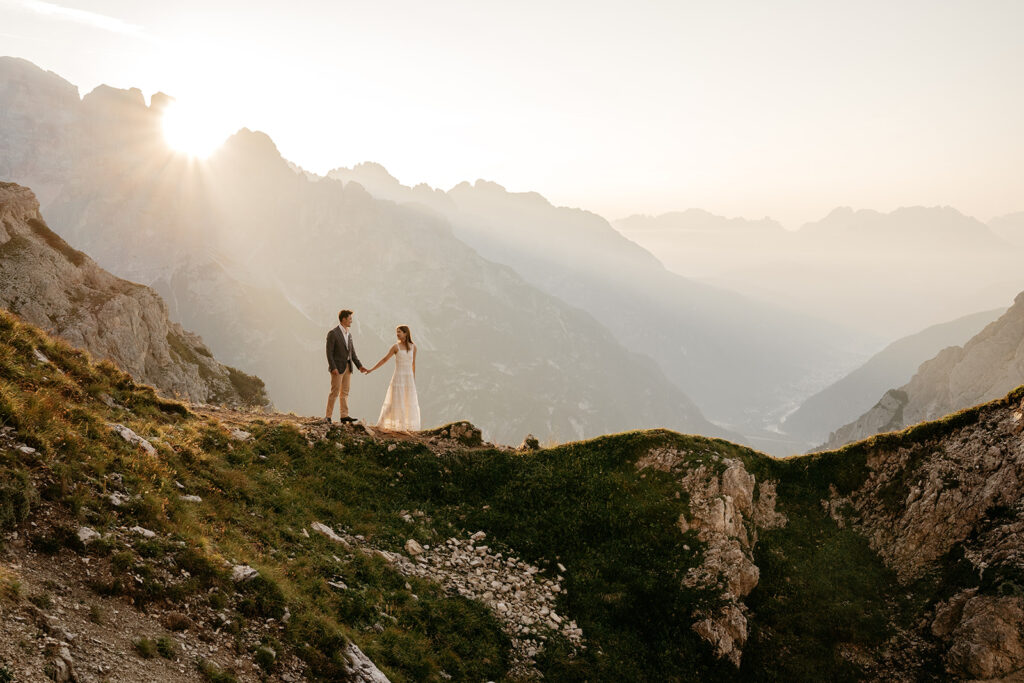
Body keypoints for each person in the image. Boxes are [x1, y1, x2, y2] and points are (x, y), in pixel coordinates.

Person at [366, 325, 420, 431]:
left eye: (399, 332)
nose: (397, 334)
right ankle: (381, 422)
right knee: (394, 400)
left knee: (407, 401)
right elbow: (384, 359)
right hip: (398, 378)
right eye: (397, 332)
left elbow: (413, 364)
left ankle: (404, 426)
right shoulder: (395, 347)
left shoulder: (414, 347)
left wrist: (413, 379)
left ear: (406, 333)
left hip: (408, 379)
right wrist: (372, 369)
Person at [325, 309, 367, 423]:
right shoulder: (333, 333)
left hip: (348, 367)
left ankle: (344, 415)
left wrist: (360, 366)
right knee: (334, 391)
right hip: (337, 368)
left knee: (345, 392)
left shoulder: (349, 334)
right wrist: (333, 367)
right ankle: (328, 416)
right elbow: (329, 352)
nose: (351, 322)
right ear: (343, 319)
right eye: (350, 319)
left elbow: (352, 353)